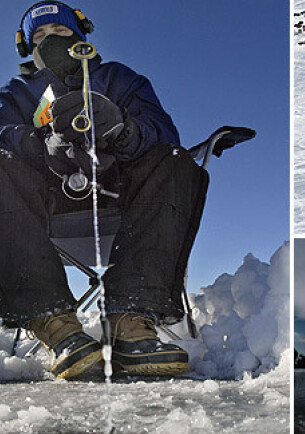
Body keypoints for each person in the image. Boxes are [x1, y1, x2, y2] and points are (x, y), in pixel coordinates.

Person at [0, 2, 208, 379]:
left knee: (174, 158)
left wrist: (122, 129)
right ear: (28, 49)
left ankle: (131, 318)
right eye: (41, 37)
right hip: (45, 207)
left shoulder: (121, 78)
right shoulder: (17, 91)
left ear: (80, 36)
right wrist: (38, 143)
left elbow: (161, 130)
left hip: (124, 201)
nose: (51, 42)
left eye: (60, 33)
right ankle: (54, 323)